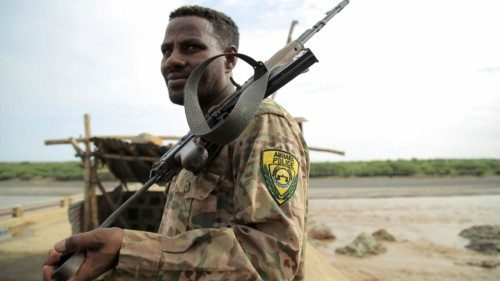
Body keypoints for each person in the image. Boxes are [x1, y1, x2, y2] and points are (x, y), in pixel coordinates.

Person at [43, 5, 309, 281]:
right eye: (166, 50)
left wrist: (128, 250)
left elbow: (271, 261)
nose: (172, 61)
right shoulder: (196, 137)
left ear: (230, 60)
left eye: (191, 47)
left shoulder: (262, 124)